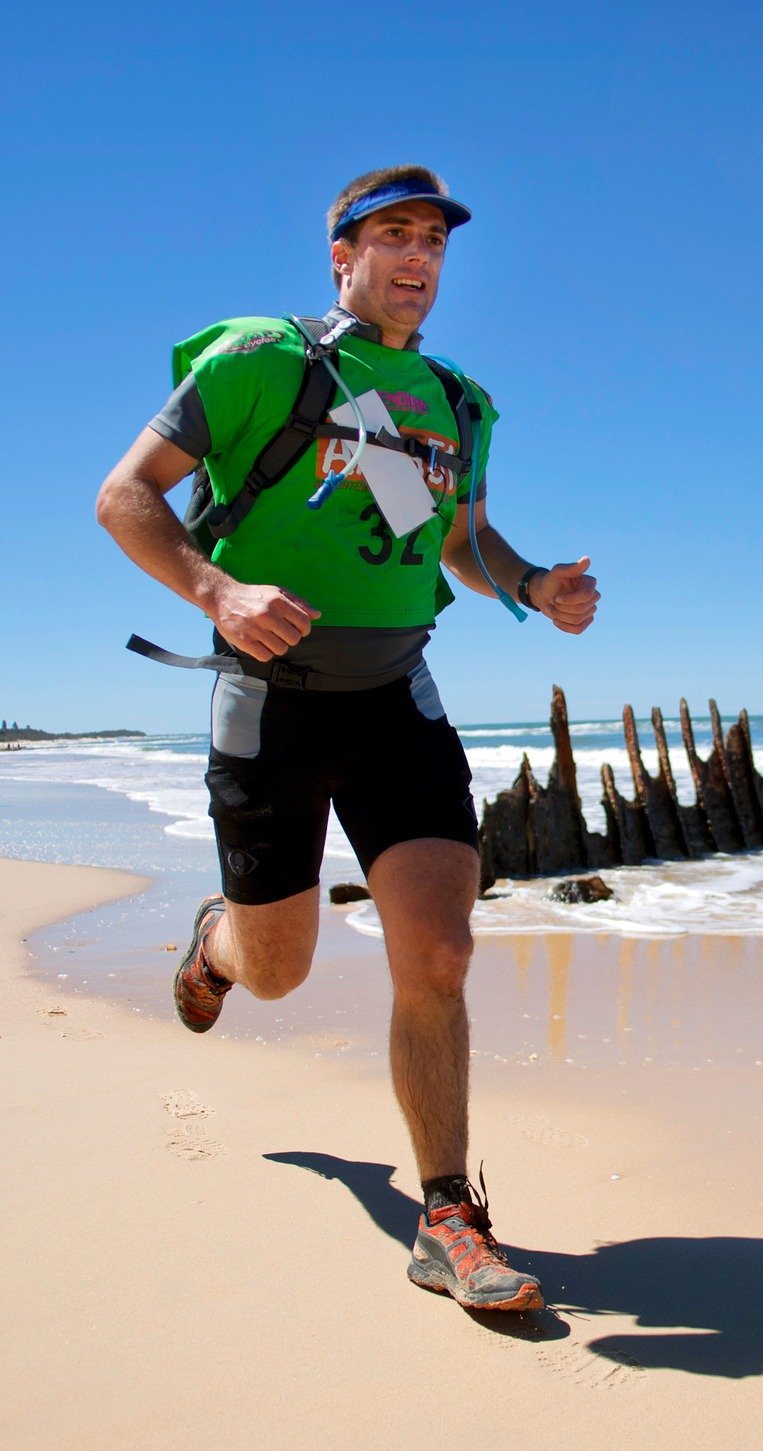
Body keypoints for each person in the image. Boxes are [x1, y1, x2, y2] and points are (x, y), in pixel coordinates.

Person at [96, 165, 598, 1312]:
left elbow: (458, 538)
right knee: (278, 970)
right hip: (269, 698)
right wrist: (218, 591)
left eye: (434, 241)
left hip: (395, 699)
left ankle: (449, 1215)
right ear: (342, 253)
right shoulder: (266, 363)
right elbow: (126, 496)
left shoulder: (454, 401)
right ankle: (217, 941)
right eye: (394, 237)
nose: (418, 258)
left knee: (439, 952)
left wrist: (533, 585)